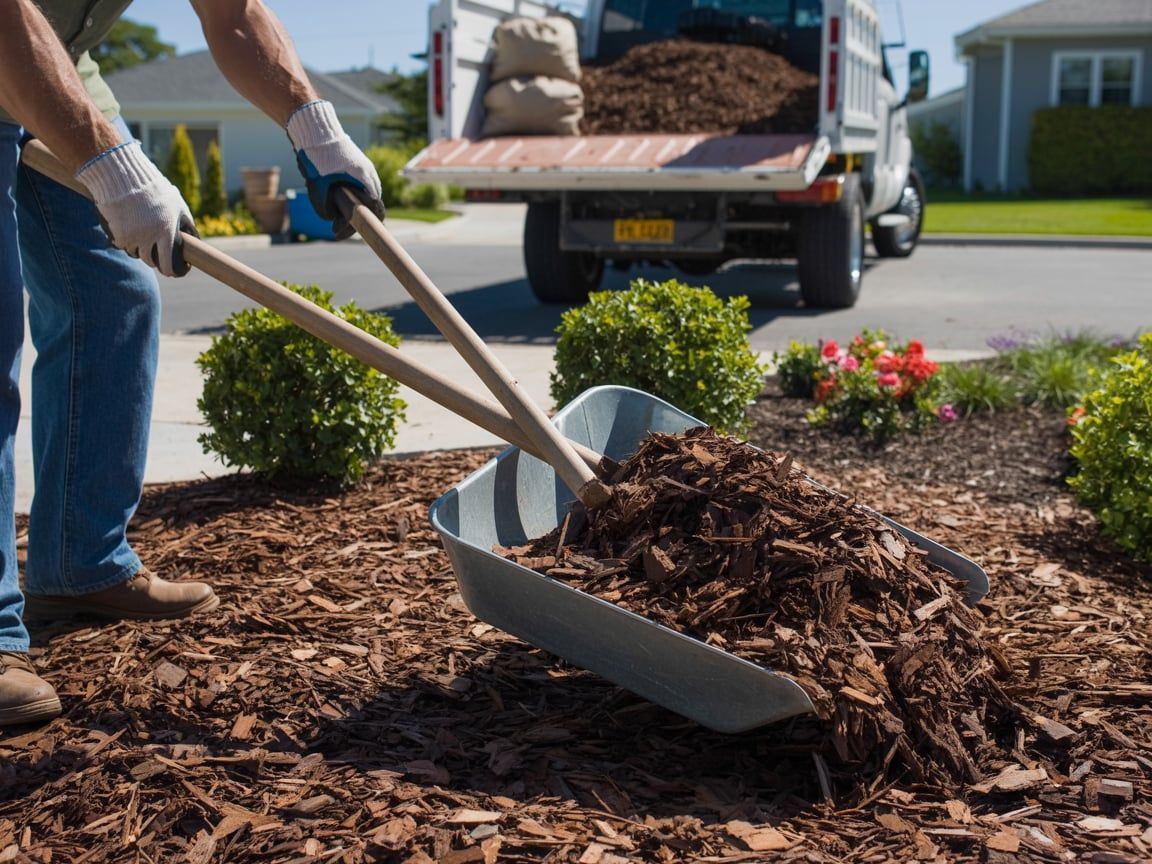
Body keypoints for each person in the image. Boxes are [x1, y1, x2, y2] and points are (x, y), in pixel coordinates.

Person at [0, 0, 385, 727]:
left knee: (114, 298)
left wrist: (316, 129)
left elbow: (231, 10)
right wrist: (111, 165)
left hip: (49, 62)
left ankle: (80, 561)